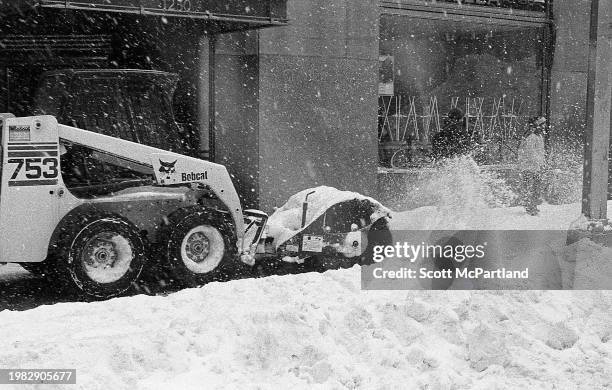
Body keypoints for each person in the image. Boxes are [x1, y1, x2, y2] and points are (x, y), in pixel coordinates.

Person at [517, 116, 546, 216]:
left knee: (536, 188)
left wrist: (541, 162)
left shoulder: (539, 136)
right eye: (542, 124)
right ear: (537, 125)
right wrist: (539, 161)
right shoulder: (531, 136)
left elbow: (539, 151)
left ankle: (533, 206)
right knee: (530, 187)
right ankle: (530, 207)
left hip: (535, 167)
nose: (544, 126)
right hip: (529, 166)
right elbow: (530, 152)